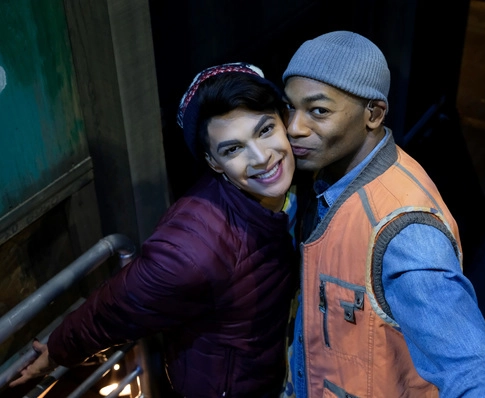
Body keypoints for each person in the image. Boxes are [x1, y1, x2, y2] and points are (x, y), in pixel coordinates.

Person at [10, 62, 298, 398]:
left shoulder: (298, 179)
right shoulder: (194, 246)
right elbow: (118, 307)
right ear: (213, 163)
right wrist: (58, 350)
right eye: (233, 149)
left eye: (265, 130)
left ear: (284, 121)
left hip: (276, 365)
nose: (262, 157)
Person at [280, 31, 485, 397]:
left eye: (318, 111)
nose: (293, 128)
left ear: (373, 114)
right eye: (290, 108)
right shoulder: (328, 172)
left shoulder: (404, 232)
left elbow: (481, 372)